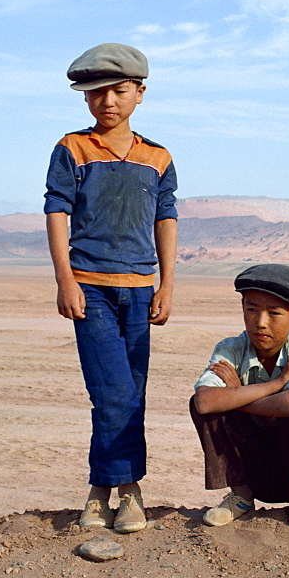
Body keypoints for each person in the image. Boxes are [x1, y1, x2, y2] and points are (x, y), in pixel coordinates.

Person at [44, 43, 178, 534]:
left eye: (119, 91)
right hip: (91, 288)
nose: (107, 102)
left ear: (140, 93)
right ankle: (127, 490)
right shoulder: (71, 148)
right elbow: (56, 210)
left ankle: (105, 493)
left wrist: (168, 284)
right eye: (96, 93)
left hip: (141, 291)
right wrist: (65, 279)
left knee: (131, 394)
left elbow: (166, 218)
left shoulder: (157, 157)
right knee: (114, 392)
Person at [190, 264, 289, 528]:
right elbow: (204, 402)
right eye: (251, 309)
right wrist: (279, 383)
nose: (260, 322)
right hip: (254, 467)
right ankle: (241, 495)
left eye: (274, 313)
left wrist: (236, 396)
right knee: (201, 403)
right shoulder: (230, 349)